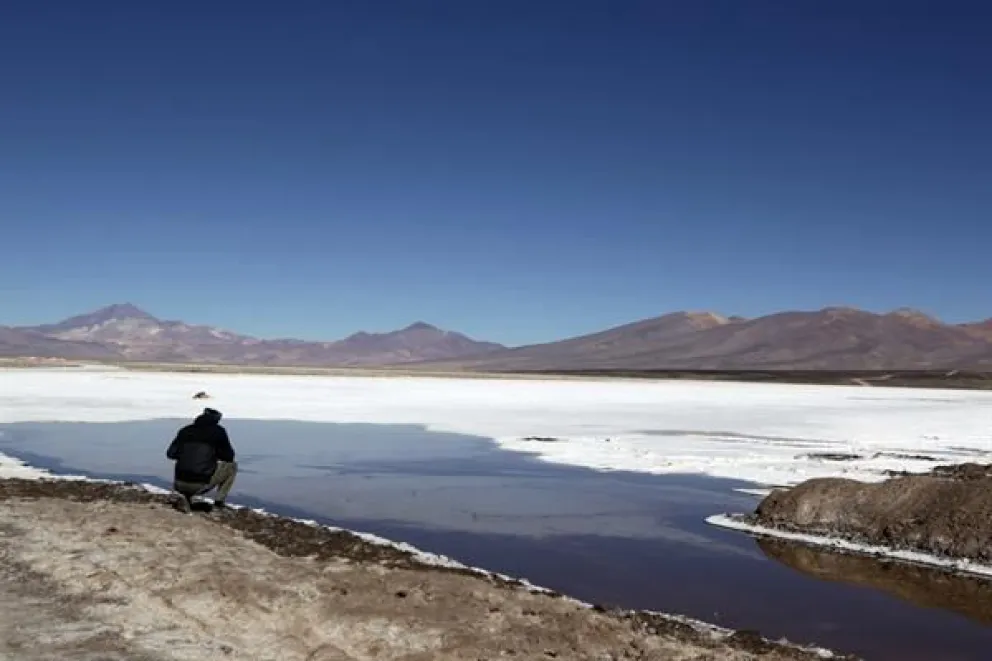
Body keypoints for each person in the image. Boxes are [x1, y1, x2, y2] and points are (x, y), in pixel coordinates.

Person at [166, 407, 238, 513]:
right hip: (199, 485)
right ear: (217, 419)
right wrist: (213, 455)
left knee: (188, 462)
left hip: (179, 483)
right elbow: (229, 456)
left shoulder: (185, 430)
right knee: (232, 466)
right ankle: (219, 503)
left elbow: (170, 454)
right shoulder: (218, 431)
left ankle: (186, 497)